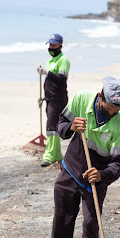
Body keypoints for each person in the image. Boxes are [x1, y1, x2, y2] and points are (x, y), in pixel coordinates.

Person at [51, 76, 120, 238]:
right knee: (62, 220)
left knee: (91, 225)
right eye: (108, 109)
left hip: (95, 180)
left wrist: (102, 175)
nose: (111, 114)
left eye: (116, 111)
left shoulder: (119, 125)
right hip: (71, 171)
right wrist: (71, 127)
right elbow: (60, 124)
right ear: (100, 97)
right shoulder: (82, 98)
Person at [36, 33, 70, 167]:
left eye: (54, 44)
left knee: (51, 126)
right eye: (50, 44)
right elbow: (50, 83)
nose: (51, 47)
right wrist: (43, 98)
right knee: (52, 126)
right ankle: (56, 154)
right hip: (50, 98)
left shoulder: (63, 60)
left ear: (60, 45)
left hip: (58, 98)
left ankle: (49, 155)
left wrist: (46, 73)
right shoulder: (51, 61)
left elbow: (61, 79)